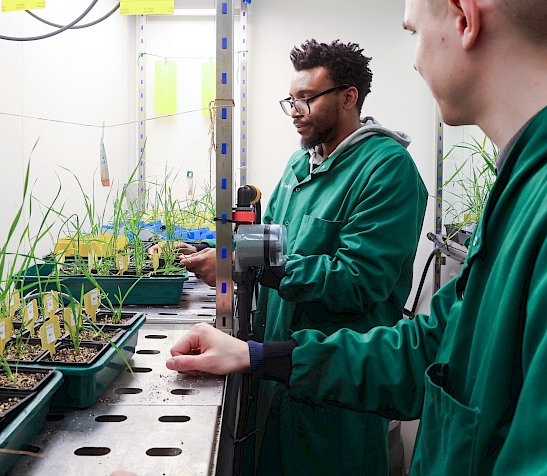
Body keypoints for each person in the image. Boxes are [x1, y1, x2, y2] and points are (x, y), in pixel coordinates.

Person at [166, 0, 547, 474]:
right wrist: (256, 352)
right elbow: (433, 348)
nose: (417, 60)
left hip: (334, 423)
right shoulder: (531, 182)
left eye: (413, 31)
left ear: (464, 16)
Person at [158, 40, 428, 475]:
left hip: (337, 385)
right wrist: (219, 250)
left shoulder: (386, 169)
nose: (295, 111)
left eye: (306, 99)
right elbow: (271, 241)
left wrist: (242, 264)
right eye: (291, 100)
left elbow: (359, 280)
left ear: (348, 97)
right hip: (279, 368)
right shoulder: (300, 165)